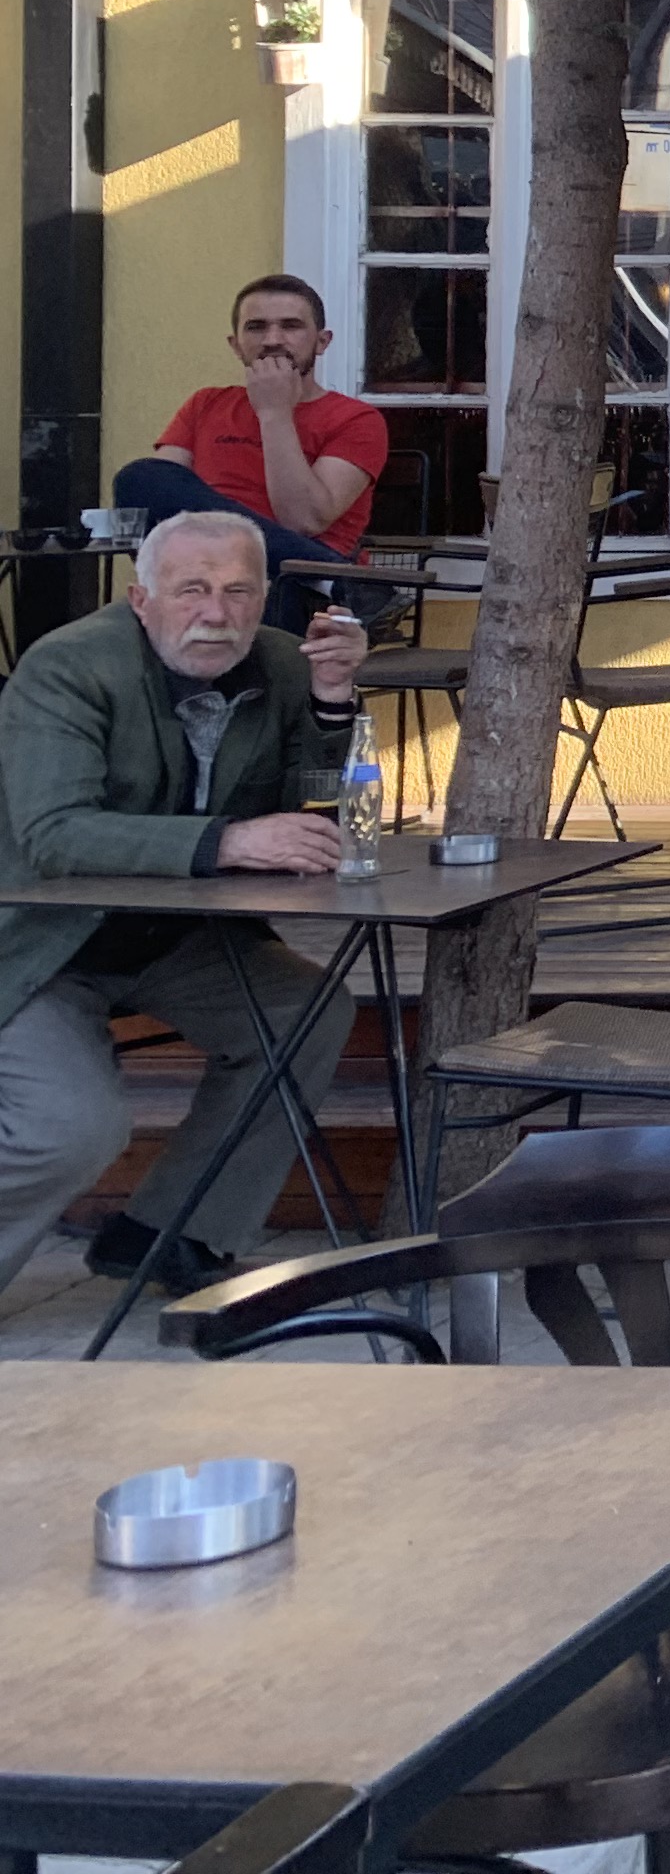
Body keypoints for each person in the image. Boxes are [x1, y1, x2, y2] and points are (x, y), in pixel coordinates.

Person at [0, 509, 366, 1299]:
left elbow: (312, 813)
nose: (216, 613)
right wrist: (228, 841)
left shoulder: (283, 663)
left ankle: (173, 1234)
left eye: (239, 591)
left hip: (168, 937)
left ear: (264, 598)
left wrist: (333, 701)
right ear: (142, 599)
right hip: (38, 940)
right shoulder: (68, 666)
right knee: (71, 1129)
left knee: (305, 1012)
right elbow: (54, 834)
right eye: (192, 589)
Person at [118, 274, 390, 611]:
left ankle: (320, 576)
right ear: (236, 345)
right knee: (138, 477)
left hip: (292, 588)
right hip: (206, 574)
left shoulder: (357, 419)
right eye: (256, 327)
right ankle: (329, 576)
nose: (273, 340)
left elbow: (303, 521)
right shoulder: (206, 403)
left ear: (322, 342)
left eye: (291, 326)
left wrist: (274, 413)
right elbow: (160, 495)